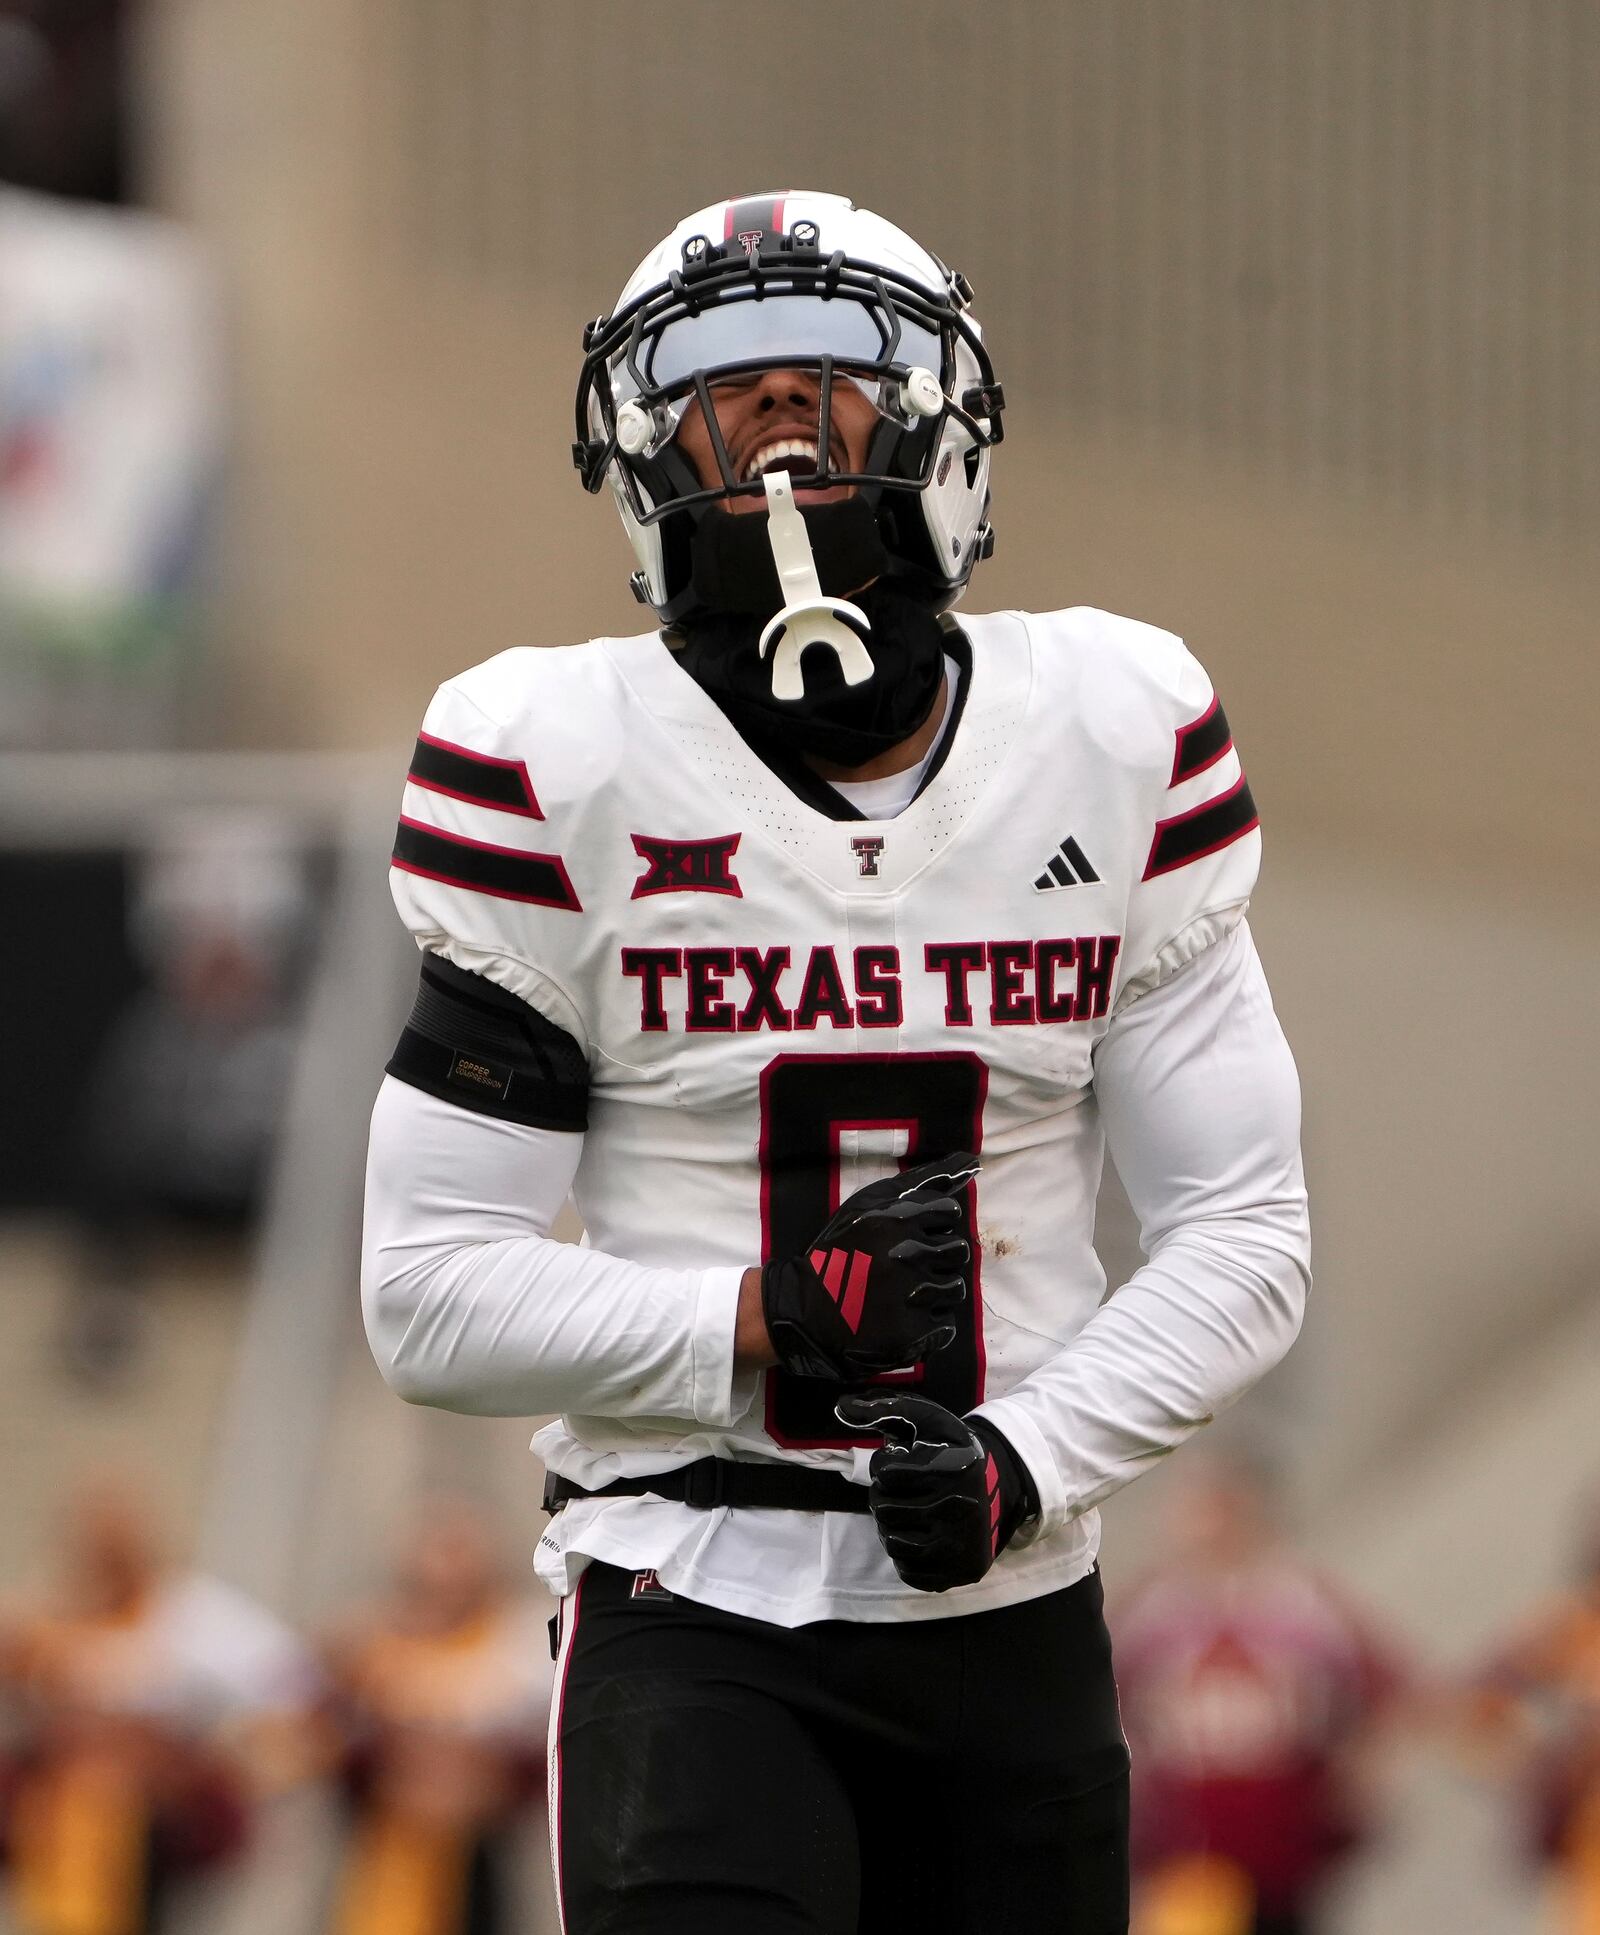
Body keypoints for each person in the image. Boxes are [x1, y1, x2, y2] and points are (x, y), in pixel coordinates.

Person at [361, 190, 1312, 1935]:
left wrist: (1027, 1453)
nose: (783, 417)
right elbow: (425, 1297)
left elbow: (1247, 1236)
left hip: (1011, 1611)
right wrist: (757, 1316)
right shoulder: (555, 762)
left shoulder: (1115, 732)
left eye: (830, 374)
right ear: (654, 456)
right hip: (688, 1598)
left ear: (940, 425)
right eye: (729, 388)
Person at [1114, 1452, 1403, 1935]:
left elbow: (1383, 1692)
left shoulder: (1302, 1601)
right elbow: (1097, 1703)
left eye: (1221, 1506)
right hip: (1186, 1852)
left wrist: (1360, 1775)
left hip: (1286, 1840)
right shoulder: (1149, 1610)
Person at [319, 1498, 553, 1935]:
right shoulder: (367, 1652)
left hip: (481, 1851)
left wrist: (488, 1780)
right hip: (385, 1852)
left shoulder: (523, 1650)